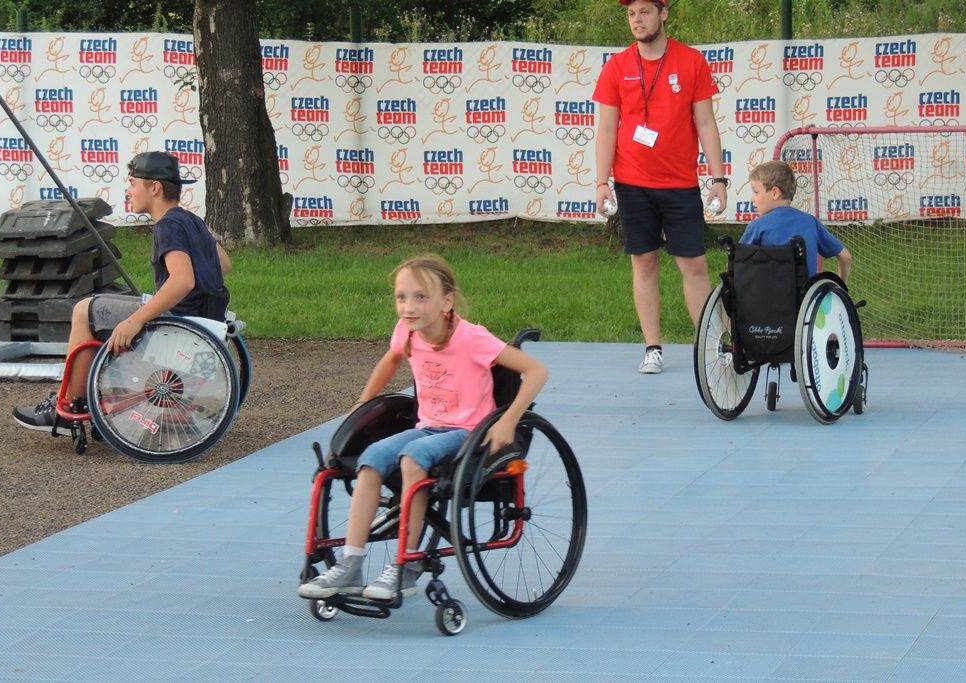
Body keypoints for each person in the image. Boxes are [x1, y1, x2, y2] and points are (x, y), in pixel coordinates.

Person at [297, 254, 548, 601]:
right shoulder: (407, 332)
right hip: (427, 426)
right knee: (370, 459)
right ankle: (350, 565)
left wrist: (508, 421)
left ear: (446, 301)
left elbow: (537, 372)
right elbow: (391, 359)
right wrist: (362, 403)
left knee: (412, 458)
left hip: (469, 432)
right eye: (401, 297)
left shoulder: (472, 338)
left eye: (420, 297)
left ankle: (407, 566)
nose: (408, 307)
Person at [13, 151, 232, 432]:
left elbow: (182, 282)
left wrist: (136, 319)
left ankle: (69, 406)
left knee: (84, 311)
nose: (128, 191)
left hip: (179, 324)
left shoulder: (168, 225)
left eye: (132, 183)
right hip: (203, 318)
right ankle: (84, 396)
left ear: (155, 187)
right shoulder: (191, 220)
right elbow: (223, 263)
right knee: (101, 303)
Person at [593, 0, 728, 374]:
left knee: (694, 264)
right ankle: (653, 347)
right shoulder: (617, 66)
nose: (637, 20)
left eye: (644, 12)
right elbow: (606, 129)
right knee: (644, 262)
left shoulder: (691, 61)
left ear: (663, 14)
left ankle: (711, 344)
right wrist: (602, 182)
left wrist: (718, 179)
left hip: (680, 182)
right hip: (633, 183)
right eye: (631, 14)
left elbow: (705, 122)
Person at [740, 160, 853, 282]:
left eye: (756, 192)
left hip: (768, 297)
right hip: (807, 298)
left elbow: (739, 263)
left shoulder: (757, 226)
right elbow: (845, 257)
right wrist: (841, 287)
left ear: (775, 193)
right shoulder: (811, 222)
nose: (752, 199)